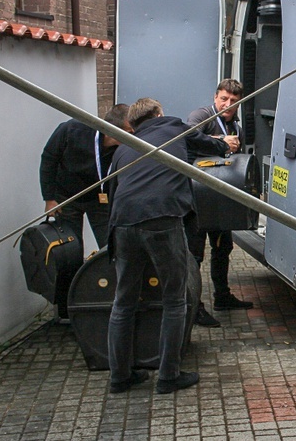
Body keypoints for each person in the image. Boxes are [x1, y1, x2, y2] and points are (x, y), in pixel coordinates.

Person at [106, 97, 236, 395]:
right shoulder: (173, 126)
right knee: (174, 299)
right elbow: (206, 144)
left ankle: (120, 376)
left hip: (123, 222)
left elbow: (112, 189)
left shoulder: (124, 146)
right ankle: (168, 376)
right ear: (159, 113)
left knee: (123, 301)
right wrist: (226, 146)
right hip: (161, 218)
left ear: (133, 124)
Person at [186, 79, 253, 328]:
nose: (228, 104)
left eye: (234, 101)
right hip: (195, 197)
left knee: (223, 248)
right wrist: (220, 142)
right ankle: (194, 307)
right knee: (194, 255)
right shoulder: (202, 115)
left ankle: (222, 297)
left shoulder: (235, 125)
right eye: (224, 99)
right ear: (215, 97)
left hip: (217, 197)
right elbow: (189, 135)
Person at [39, 104, 132, 250]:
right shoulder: (72, 129)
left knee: (110, 243)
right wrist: (49, 199)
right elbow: (49, 159)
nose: (133, 136)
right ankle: (74, 272)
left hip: (99, 198)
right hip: (67, 197)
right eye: (129, 132)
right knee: (71, 246)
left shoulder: (125, 148)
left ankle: (108, 272)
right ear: (112, 130)